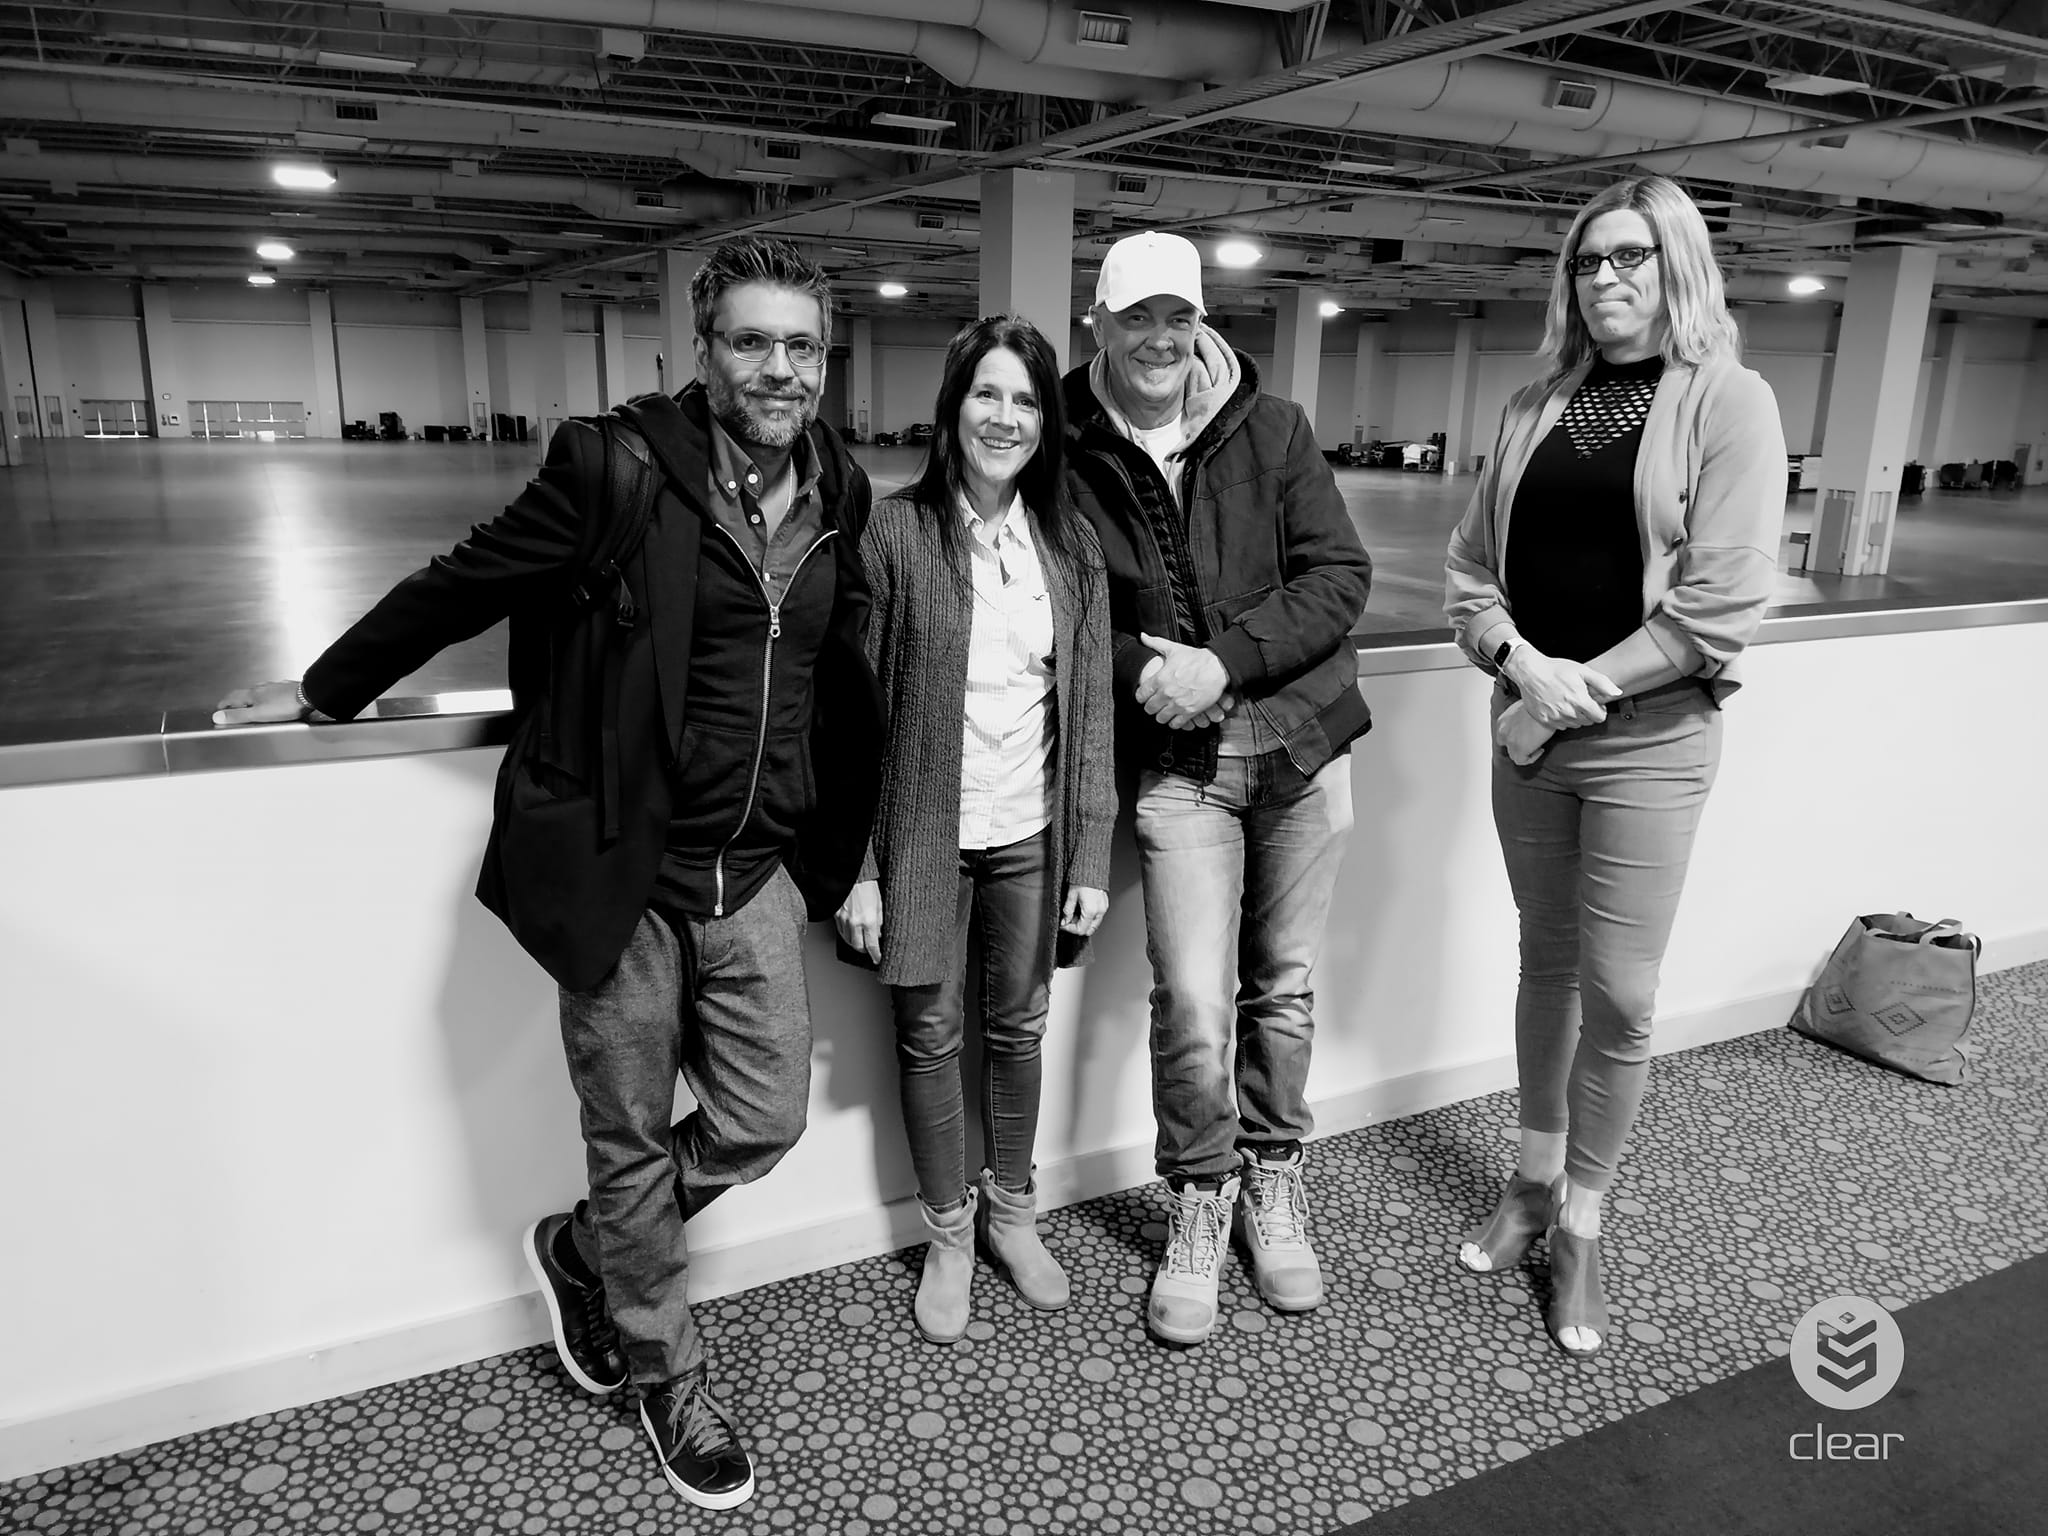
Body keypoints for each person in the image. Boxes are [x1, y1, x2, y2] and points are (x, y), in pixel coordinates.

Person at [214, 236, 885, 1507]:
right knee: (626, 1138)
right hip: (625, 874)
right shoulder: (613, 467)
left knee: (764, 1119)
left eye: (801, 346)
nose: (779, 369)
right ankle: (665, 1375)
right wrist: (324, 688)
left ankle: (589, 1248)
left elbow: (832, 681)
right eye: (751, 341)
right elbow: (463, 581)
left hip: (753, 874)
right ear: (702, 350)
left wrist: (838, 852)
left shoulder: (837, 490)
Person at [1443, 175, 1786, 1357]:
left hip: (1646, 745)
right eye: (1586, 262)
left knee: (1623, 995)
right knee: (1544, 968)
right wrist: (1515, 668)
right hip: (1526, 739)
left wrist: (1552, 702)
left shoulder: (1729, 403)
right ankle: (1531, 1182)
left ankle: (1582, 1220)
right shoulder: (1532, 404)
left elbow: (1717, 608)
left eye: (1628, 257)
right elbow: (1466, 577)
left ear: (1675, 264)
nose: (1603, 280)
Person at [1061, 231, 1373, 1346]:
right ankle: (1201, 1193)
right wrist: (1150, 674)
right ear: (1098, 324)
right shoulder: (1065, 447)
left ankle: (1272, 1178)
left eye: (1177, 317)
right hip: (1178, 767)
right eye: (1136, 317)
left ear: (1201, 322)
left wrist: (1220, 665)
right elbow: (1063, 607)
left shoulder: (1273, 428)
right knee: (1192, 999)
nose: (1159, 338)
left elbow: (1338, 576)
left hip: (1299, 748)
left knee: (1281, 987)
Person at [834, 315, 1116, 1343]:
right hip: (922, 834)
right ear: (952, 408)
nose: (1005, 417)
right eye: (986, 394)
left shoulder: (1070, 546)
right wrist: (859, 866)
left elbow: (1090, 712)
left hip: (1030, 833)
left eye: (1026, 400)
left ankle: (1012, 1215)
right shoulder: (895, 534)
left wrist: (1091, 850)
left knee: (1019, 1030)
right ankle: (948, 1234)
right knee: (928, 1036)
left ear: (1047, 422)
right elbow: (851, 714)